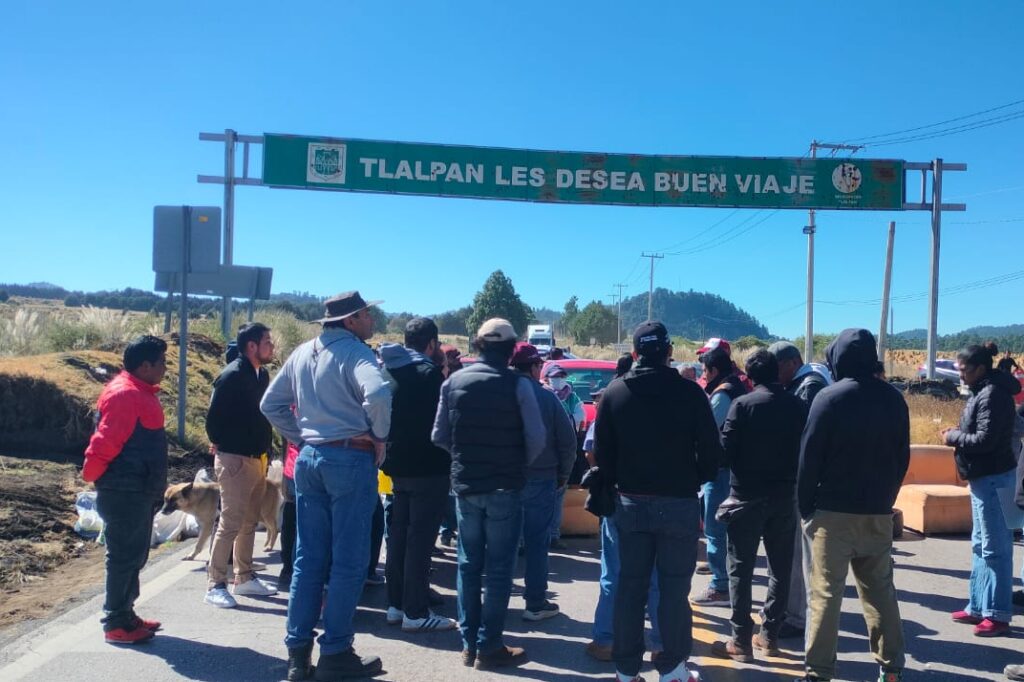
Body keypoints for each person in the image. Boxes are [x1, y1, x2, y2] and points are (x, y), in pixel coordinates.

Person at [260, 291, 392, 681]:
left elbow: (271, 404)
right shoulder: (356, 353)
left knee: (308, 559)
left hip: (310, 459)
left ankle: (298, 655)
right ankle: (336, 651)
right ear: (351, 320)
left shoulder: (303, 352)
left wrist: (300, 436)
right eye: (367, 314)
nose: (371, 320)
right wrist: (380, 435)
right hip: (349, 457)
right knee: (348, 561)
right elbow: (380, 393)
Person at [595, 321, 723, 682]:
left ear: (635, 353)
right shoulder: (690, 393)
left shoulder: (615, 393)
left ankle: (625, 670)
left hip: (630, 503)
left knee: (629, 588)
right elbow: (711, 454)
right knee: (673, 590)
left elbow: (603, 457)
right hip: (679, 503)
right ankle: (673, 670)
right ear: (668, 353)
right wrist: (689, 481)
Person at [432, 318, 546, 670]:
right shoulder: (518, 386)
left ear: (478, 344)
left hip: (467, 487)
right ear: (511, 349)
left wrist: (466, 459)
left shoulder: (453, 382)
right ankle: (489, 646)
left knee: (468, 565)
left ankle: (468, 644)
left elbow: (439, 435)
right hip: (504, 487)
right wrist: (515, 465)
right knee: (498, 570)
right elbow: (537, 439)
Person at [798, 329, 909, 682]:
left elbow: (808, 459)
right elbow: (902, 458)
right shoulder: (894, 400)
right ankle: (891, 669)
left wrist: (806, 509)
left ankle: (819, 672)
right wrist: (887, 500)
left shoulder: (829, 398)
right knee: (880, 593)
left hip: (832, 513)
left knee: (825, 595)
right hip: (877, 510)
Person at [710, 349, 806, 662]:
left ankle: (740, 641)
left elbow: (724, 454)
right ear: (778, 372)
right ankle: (770, 636)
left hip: (745, 497)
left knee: (740, 570)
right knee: (779, 568)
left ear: (749, 378)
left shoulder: (743, 405)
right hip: (785, 497)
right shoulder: (797, 405)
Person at [82, 335, 169, 644]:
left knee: (134, 555)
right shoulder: (125, 395)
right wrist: (93, 476)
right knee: (123, 557)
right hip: (124, 491)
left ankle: (126, 615)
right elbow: (103, 444)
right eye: (161, 363)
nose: (165, 368)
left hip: (136, 490)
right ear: (145, 366)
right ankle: (116, 622)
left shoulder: (138, 392)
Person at [379, 317, 457, 633]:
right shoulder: (429, 376)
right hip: (428, 467)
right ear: (431, 344)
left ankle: (396, 605)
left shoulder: (389, 370)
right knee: (420, 540)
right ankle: (416, 611)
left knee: (398, 537)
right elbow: (443, 424)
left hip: (396, 465)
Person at [942, 342, 1021, 637]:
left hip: (995, 480)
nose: (960, 375)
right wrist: (959, 434)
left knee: (996, 548)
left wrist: (953, 436)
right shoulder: (983, 391)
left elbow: (985, 440)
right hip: (983, 479)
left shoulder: (993, 394)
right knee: (980, 545)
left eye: (964, 370)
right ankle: (978, 605)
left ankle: (998, 614)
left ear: (980, 369)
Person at [584, 389, 665, 663]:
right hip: (660, 500)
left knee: (615, 574)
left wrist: (603, 479)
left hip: (619, 498)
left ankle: (607, 640)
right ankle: (661, 644)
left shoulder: (611, 405)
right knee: (655, 577)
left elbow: (591, 450)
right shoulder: (667, 405)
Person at [204, 322, 277, 608]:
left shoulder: (261, 374)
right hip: (235, 459)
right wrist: (225, 446)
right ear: (251, 346)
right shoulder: (231, 376)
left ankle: (244, 578)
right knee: (230, 523)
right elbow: (214, 421)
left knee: (250, 520)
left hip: (257, 458)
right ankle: (214, 583)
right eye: (267, 342)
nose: (272, 347)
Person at [767, 340, 831, 640]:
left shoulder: (808, 387)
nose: (774, 373)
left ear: (792, 362)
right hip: (804, 478)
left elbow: (803, 437)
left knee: (798, 552)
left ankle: (797, 616)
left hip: (802, 480)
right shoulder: (808, 382)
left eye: (776, 367)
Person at [510, 342, 577, 622]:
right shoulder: (548, 398)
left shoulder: (500, 397)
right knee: (537, 543)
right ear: (536, 367)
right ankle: (535, 603)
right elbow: (568, 441)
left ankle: (495, 605)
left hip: (504, 480)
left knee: (504, 543)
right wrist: (563, 474)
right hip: (541, 478)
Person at [691, 345, 746, 607]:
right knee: (726, 527)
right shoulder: (736, 386)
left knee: (715, 526)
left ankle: (720, 586)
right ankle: (722, 573)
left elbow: (707, 430)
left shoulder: (722, 394)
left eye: (704, 370)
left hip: (720, 469)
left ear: (713, 370)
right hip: (733, 465)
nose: (703, 375)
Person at [543, 363, 585, 549]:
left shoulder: (572, 397)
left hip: (563, 453)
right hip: (545, 453)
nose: (558, 380)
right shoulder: (545, 395)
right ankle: (541, 535)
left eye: (561, 376)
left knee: (558, 496)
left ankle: (553, 535)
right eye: (554, 376)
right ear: (547, 378)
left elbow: (578, 417)